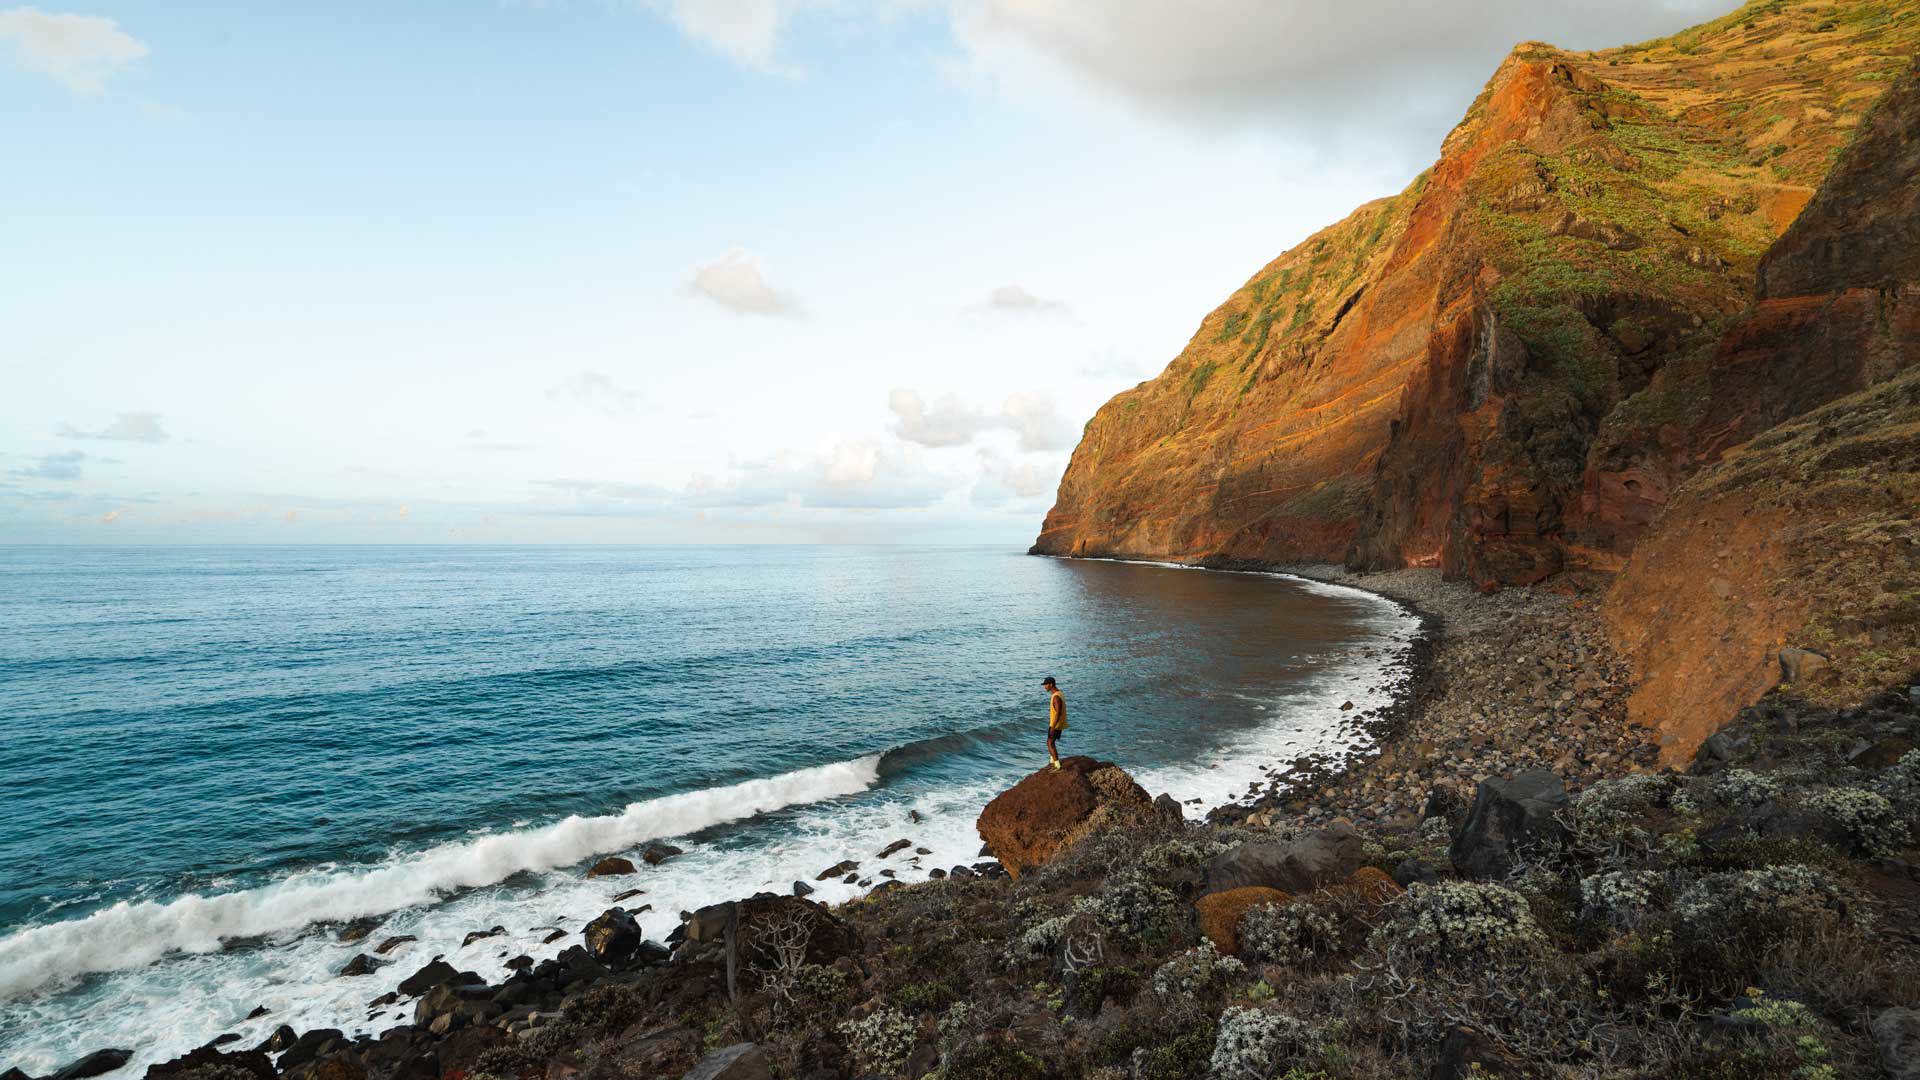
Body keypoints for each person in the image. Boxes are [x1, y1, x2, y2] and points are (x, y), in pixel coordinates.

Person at [1042, 676, 1067, 769]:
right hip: (1058, 723)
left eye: (1046, 685)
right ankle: (1052, 760)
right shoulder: (1060, 693)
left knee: (1050, 743)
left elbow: (1058, 713)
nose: (1045, 687)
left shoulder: (1056, 697)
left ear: (1051, 684)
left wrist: (1053, 727)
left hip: (1056, 724)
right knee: (1050, 742)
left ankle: (1057, 765)